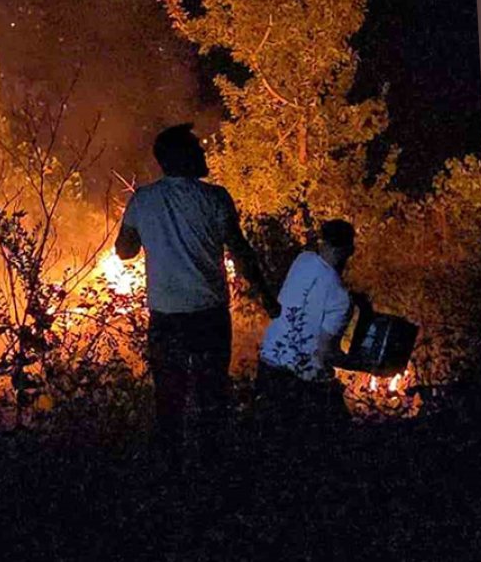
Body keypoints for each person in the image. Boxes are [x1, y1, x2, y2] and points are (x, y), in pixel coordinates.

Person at [115, 123, 278, 470]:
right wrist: (266, 296)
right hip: (209, 317)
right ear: (180, 157)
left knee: (169, 400)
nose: (203, 152)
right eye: (196, 148)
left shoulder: (143, 200)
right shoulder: (215, 198)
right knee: (212, 397)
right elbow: (240, 251)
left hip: (167, 318)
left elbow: (124, 251)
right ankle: (212, 471)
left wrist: (151, 233)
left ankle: (171, 473)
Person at [256, 219, 358, 434]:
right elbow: (324, 352)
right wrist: (358, 363)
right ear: (349, 250)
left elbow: (314, 290)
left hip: (269, 360)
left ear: (323, 242)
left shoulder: (303, 260)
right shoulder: (341, 299)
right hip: (300, 379)